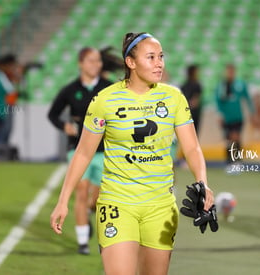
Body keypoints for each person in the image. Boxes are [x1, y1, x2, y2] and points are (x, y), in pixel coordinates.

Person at [50, 32, 214, 275]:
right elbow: (83, 153)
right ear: (131, 62)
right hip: (117, 204)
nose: (159, 63)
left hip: (160, 206)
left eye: (161, 56)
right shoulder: (104, 100)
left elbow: (192, 147)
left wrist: (203, 183)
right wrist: (63, 201)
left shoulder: (174, 98)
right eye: (151, 57)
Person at [48, 47, 112, 255]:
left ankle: (91, 211)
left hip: (104, 151)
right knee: (81, 191)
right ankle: (83, 242)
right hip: (78, 149)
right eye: (91, 61)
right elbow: (53, 114)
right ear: (81, 63)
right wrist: (64, 126)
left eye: (98, 61)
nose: (96, 65)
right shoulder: (70, 89)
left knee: (100, 198)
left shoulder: (109, 89)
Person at [215, 64, 255, 173]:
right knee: (228, 140)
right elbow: (218, 101)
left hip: (237, 116)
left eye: (232, 71)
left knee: (236, 137)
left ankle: (237, 161)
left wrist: (252, 112)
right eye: (228, 71)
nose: (230, 73)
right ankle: (229, 162)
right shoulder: (221, 85)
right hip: (226, 118)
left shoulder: (240, 84)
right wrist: (219, 114)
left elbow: (247, 98)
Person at [181, 64, 203, 134]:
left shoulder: (184, 85)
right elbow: (195, 101)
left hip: (187, 112)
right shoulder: (196, 85)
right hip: (192, 113)